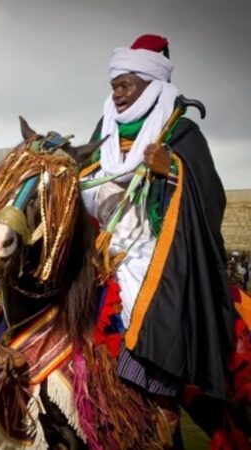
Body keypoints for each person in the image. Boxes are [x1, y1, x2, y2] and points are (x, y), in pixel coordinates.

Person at [80, 34, 234, 436]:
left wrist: (172, 172)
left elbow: (211, 199)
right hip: (107, 255)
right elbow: (87, 175)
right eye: (113, 87)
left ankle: (164, 416)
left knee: (153, 397)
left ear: (151, 86)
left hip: (157, 258)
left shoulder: (181, 133)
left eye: (124, 86)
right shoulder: (105, 129)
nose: (116, 95)